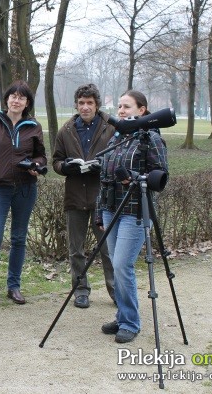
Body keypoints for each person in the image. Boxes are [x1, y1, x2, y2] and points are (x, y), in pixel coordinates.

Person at [97, 90, 168, 343]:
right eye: (119, 106)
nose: (121, 111)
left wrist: (135, 179)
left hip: (135, 212)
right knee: (116, 265)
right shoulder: (117, 137)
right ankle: (122, 314)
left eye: (127, 106)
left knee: (121, 265)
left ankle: (130, 322)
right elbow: (104, 177)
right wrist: (99, 212)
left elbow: (161, 178)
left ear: (142, 110)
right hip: (110, 209)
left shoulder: (151, 139)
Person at [0, 80, 47, 307]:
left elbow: (42, 156)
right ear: (6, 100)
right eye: (12, 96)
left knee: (18, 239)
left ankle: (14, 286)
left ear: (27, 103)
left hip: (25, 188)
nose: (16, 100)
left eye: (21, 97)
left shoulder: (34, 126)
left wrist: (35, 165)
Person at [52, 84, 116, 309]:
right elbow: (56, 161)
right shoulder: (66, 130)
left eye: (89, 103)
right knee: (75, 249)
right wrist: (66, 166)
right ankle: (80, 290)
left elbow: (120, 156)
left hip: (103, 197)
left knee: (108, 248)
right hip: (75, 196)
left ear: (97, 104)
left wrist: (104, 166)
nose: (85, 107)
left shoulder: (110, 127)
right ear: (76, 104)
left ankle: (115, 290)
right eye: (81, 103)